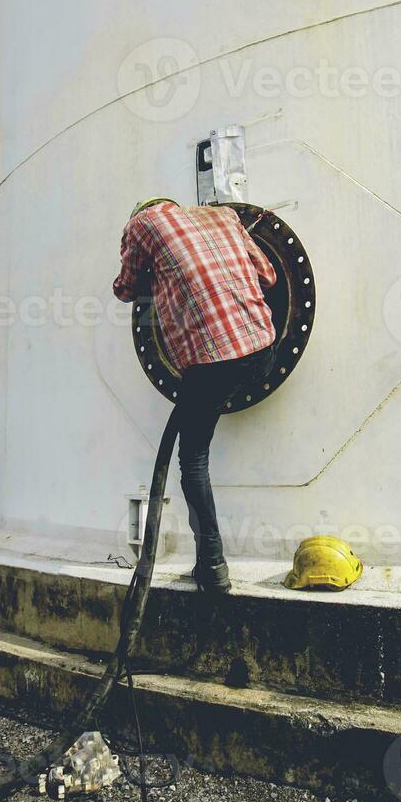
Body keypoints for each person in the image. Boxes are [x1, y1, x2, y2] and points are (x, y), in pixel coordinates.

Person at [113, 198, 278, 594]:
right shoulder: (224, 215)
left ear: (144, 211)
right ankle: (212, 563)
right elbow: (268, 276)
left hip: (209, 363)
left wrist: (158, 275)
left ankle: (212, 565)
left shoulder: (142, 224)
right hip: (264, 350)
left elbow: (124, 288)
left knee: (193, 461)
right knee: (211, 402)